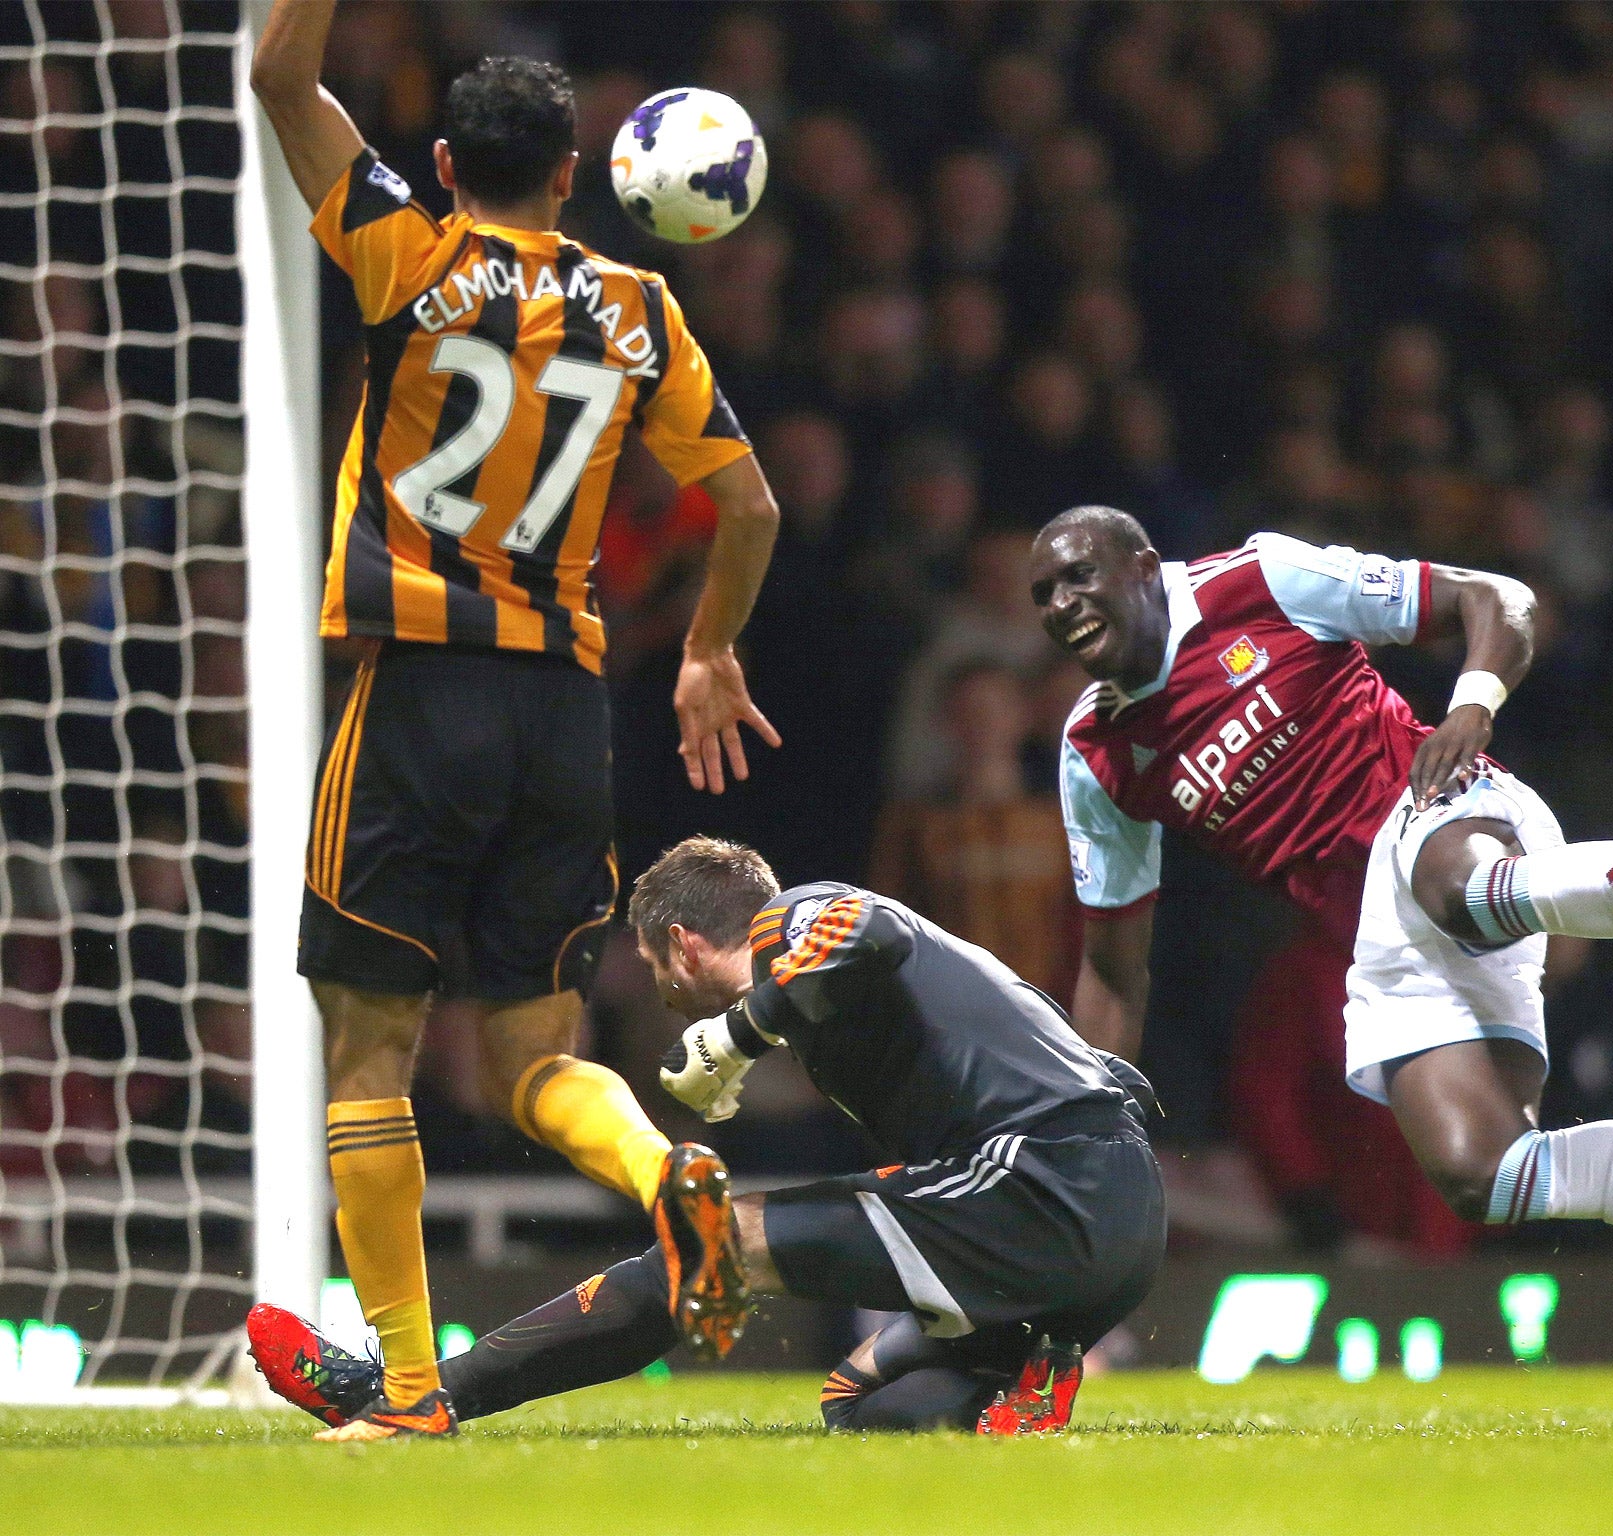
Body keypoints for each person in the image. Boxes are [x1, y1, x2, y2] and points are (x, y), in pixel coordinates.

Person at [250, 3, 782, 1440]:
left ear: (439, 159)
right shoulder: (642, 307)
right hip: (563, 705)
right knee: (536, 1058)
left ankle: (413, 1393)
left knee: (371, 1045)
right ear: (570, 178)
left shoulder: (402, 249)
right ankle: (665, 1172)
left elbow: (276, 76)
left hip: (415, 684)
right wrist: (708, 649)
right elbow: (750, 504)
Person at [1031, 505, 1613, 1238]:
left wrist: (1473, 701)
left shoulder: (1259, 580)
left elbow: (1500, 600)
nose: (1061, 606)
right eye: (1043, 599)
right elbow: (1115, 968)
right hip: (1383, 945)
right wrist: (1088, 1112)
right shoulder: (1097, 752)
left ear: (1143, 568)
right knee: (1483, 1178)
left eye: (1077, 578)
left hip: (1441, 808)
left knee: (1465, 891)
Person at [248, 837, 1163, 1436]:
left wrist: (731, 1037)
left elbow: (864, 929)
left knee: (705, 1244)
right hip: (1095, 1216)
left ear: (682, 946)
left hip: (1047, 1178)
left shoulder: (799, 913)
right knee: (860, 1404)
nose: (656, 990)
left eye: (652, 967)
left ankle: (425, 1398)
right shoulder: (819, 999)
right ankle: (1022, 1386)